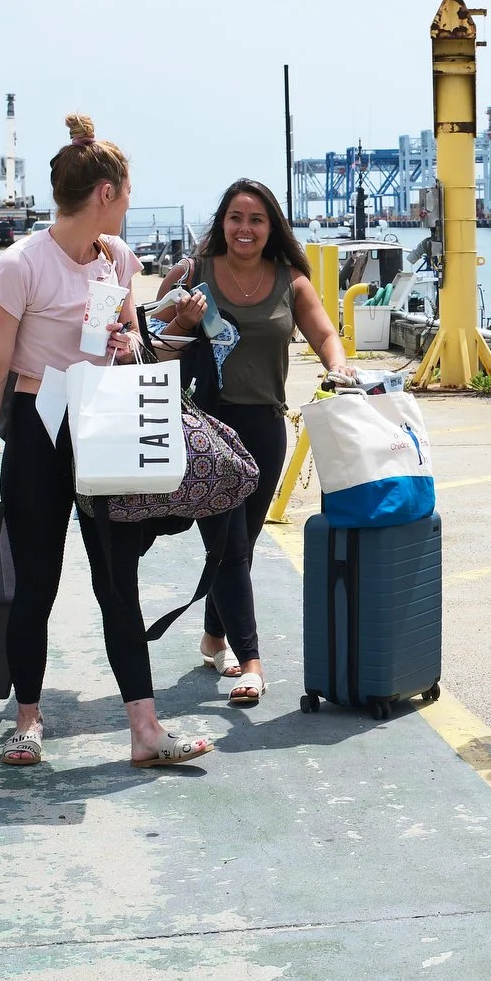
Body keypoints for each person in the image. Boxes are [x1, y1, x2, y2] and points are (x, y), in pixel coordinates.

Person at [0, 113, 213, 771]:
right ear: (105, 193)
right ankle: (27, 722)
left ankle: (145, 730)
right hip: (40, 425)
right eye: (127, 194)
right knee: (36, 583)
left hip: (102, 426)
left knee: (116, 583)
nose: (129, 206)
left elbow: (115, 343)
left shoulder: (118, 261)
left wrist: (131, 342)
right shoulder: (20, 266)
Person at [151, 179, 350, 704]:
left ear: (271, 228)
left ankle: (214, 635)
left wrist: (339, 367)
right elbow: (149, 338)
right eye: (236, 218)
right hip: (202, 427)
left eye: (256, 220)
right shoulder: (191, 275)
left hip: (263, 427)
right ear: (222, 222)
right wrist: (182, 320)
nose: (245, 228)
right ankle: (252, 661)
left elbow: (325, 334)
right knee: (229, 546)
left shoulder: (291, 280)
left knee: (242, 542)